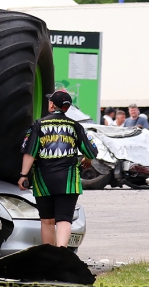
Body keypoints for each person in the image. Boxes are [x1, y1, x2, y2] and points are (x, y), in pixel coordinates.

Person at [18, 90, 98, 248]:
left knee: (47, 220)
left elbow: (30, 152)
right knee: (64, 219)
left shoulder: (38, 125)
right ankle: (62, 253)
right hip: (68, 181)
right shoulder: (76, 126)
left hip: (43, 179)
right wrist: (87, 158)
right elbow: (91, 150)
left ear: (52, 105)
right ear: (66, 108)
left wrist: (23, 175)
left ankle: (50, 257)